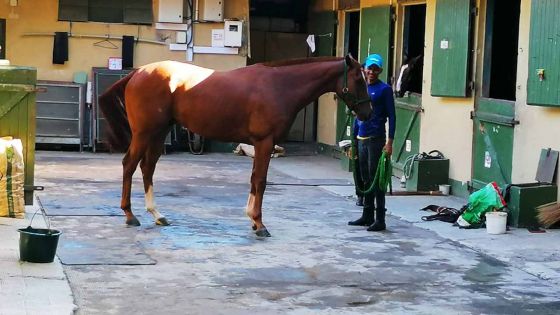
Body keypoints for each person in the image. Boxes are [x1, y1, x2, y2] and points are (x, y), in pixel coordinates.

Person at [348, 53, 396, 232]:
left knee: (377, 180)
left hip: (376, 139)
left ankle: (380, 219)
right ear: (364, 69)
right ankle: (367, 215)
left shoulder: (384, 90)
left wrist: (389, 141)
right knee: (365, 179)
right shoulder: (362, 88)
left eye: (376, 69)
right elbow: (357, 116)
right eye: (369, 68)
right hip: (361, 138)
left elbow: (392, 116)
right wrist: (353, 141)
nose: (372, 72)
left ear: (380, 70)